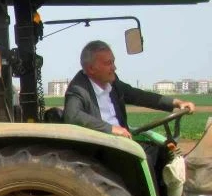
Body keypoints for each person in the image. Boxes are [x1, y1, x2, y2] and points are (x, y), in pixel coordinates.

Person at [64, 40, 195, 139]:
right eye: (108, 63)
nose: (114, 68)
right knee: (148, 158)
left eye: (113, 62)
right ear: (91, 69)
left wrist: (176, 103)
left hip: (121, 140)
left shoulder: (113, 83)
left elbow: (139, 96)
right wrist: (111, 129)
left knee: (161, 151)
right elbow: (72, 116)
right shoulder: (78, 89)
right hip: (100, 144)